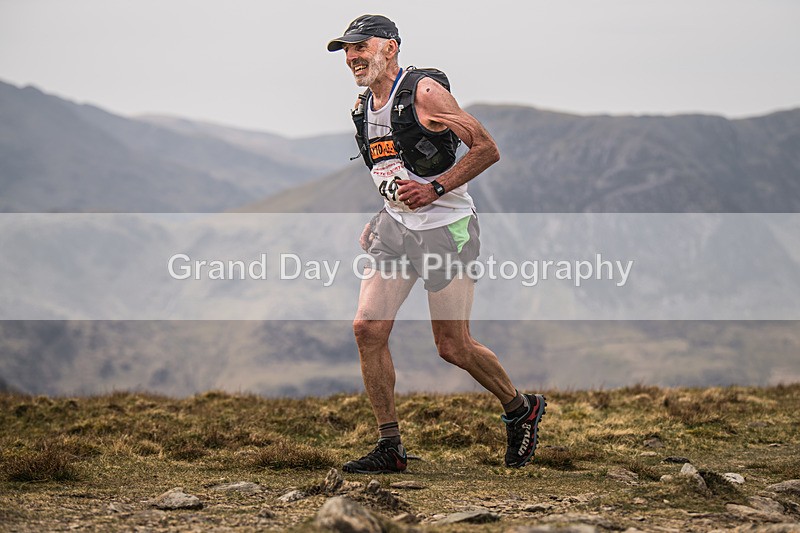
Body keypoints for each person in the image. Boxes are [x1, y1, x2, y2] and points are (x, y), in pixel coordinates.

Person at [327, 14, 545, 474]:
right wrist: (382, 213)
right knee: (367, 329)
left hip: (447, 228)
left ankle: (519, 407)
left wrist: (437, 188)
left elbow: (486, 148)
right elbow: (388, 166)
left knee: (452, 346)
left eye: (359, 47)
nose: (351, 58)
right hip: (396, 229)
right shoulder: (362, 105)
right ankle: (391, 447)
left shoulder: (424, 92)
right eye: (346, 50)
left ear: (390, 47)